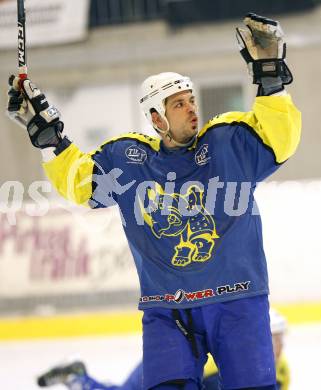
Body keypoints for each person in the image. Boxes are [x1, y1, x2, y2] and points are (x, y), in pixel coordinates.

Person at [7, 13, 301, 390]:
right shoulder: (130, 160)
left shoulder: (227, 143)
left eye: (191, 99)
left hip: (238, 302)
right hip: (168, 309)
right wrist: (48, 140)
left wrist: (271, 79)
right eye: (179, 104)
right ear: (156, 117)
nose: (192, 108)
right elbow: (80, 184)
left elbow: (280, 139)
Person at [36, 309, 290, 390]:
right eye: (271, 338)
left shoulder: (281, 370)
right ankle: (78, 377)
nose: (277, 346)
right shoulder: (225, 367)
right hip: (172, 366)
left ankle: (77, 376)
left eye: (280, 338)